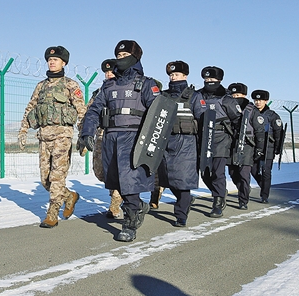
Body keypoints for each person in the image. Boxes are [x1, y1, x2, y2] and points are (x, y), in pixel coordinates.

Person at [79, 40, 161, 242]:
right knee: (115, 181)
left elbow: (158, 112)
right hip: (111, 137)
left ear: (136, 58)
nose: (121, 59)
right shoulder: (109, 85)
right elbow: (94, 110)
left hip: (134, 137)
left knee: (129, 181)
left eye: (125, 56)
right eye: (119, 56)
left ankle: (130, 223)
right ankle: (138, 206)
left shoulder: (146, 84)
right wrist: (87, 133)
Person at [18, 46, 87, 228]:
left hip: (62, 137)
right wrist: (23, 130)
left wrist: (84, 136)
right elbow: (30, 108)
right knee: (45, 180)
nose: (51, 62)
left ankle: (52, 214)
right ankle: (69, 196)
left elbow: (82, 111)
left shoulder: (71, 85)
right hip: (44, 137)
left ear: (64, 63)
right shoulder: (41, 86)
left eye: (55, 59)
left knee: (57, 177)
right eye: (49, 59)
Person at [156, 61, 206, 227]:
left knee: (183, 180)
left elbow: (204, 120)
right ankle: (186, 201)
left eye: (176, 74)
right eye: (171, 75)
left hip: (187, 142)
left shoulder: (194, 96)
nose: (173, 77)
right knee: (168, 178)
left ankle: (181, 215)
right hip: (166, 141)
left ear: (185, 75)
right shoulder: (163, 95)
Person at [195, 66, 242, 218]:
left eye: (212, 79)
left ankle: (218, 202)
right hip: (203, 138)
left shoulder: (226, 99)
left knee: (217, 172)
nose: (209, 81)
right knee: (204, 173)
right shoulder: (198, 95)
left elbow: (238, 120)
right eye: (206, 79)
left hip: (221, 138)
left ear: (219, 80)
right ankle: (220, 192)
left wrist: (236, 142)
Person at [79, 59, 123, 219]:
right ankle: (118, 195)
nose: (108, 74)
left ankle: (116, 202)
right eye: (106, 72)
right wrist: (83, 136)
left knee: (117, 170)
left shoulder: (122, 90)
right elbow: (88, 114)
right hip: (100, 136)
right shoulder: (98, 92)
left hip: (117, 135)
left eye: (111, 71)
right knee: (100, 171)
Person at [226, 83, 266, 210]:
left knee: (244, 173)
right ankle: (244, 189)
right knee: (233, 173)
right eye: (233, 95)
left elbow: (259, 131)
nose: (235, 97)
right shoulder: (227, 107)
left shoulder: (251, 110)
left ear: (244, 95)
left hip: (247, 145)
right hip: (232, 144)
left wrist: (259, 148)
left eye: (238, 95)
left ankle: (243, 200)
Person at [251, 89, 285, 203]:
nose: (258, 102)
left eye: (260, 100)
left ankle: (264, 196)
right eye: (256, 100)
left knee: (266, 171)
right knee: (253, 170)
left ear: (266, 101)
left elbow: (278, 132)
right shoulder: (251, 113)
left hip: (268, 146)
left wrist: (277, 147)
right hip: (253, 146)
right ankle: (264, 186)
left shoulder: (272, 115)